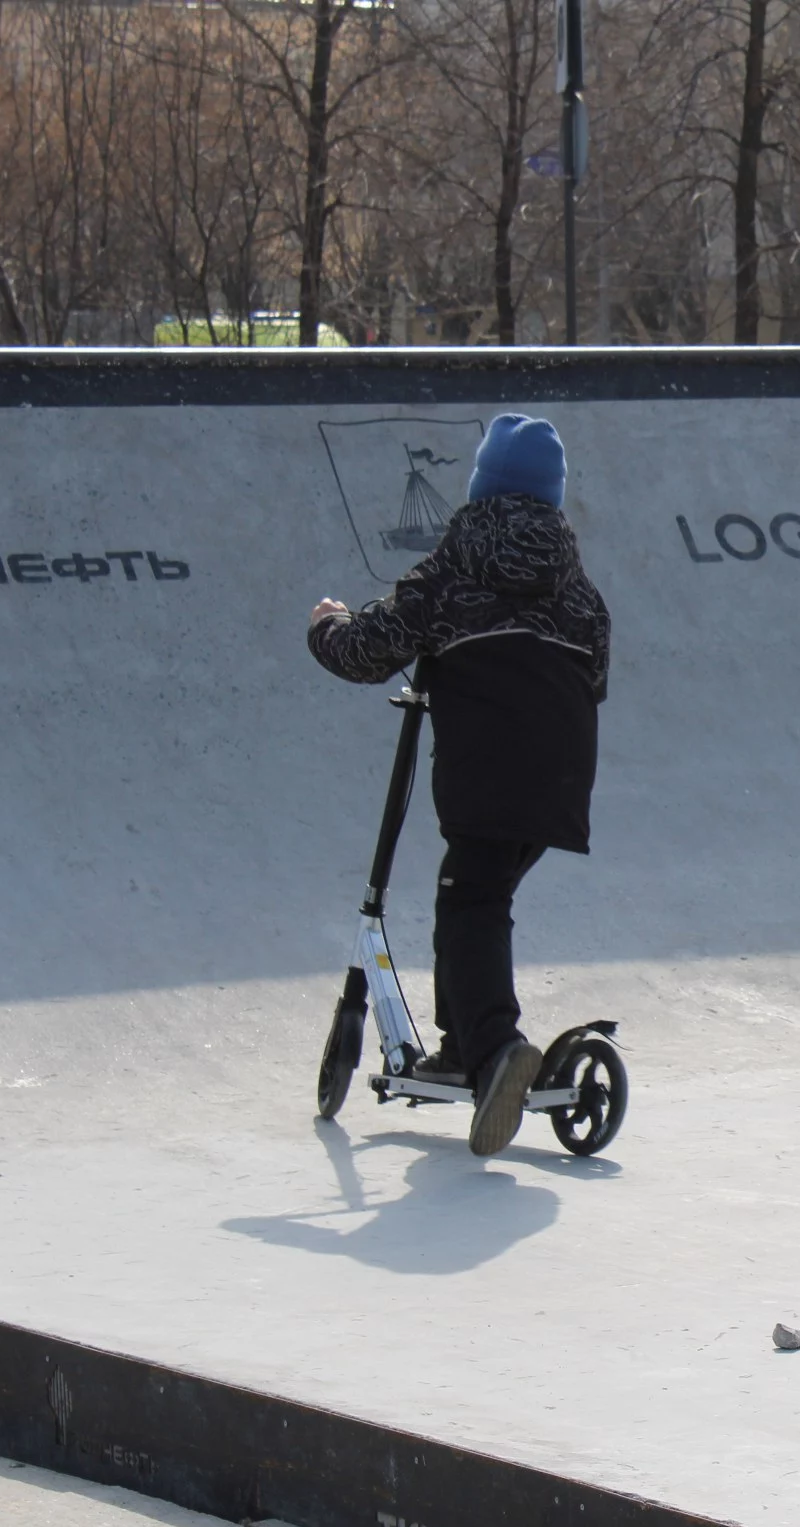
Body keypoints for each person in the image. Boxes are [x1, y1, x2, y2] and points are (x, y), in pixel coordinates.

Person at [308, 414, 611, 1157]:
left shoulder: (454, 566)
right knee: (478, 896)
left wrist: (327, 625)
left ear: (480, 488)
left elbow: (366, 650)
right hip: (563, 774)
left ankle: (496, 1046)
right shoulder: (579, 591)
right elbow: (596, 678)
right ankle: (463, 1044)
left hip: (489, 767)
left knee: (469, 901)